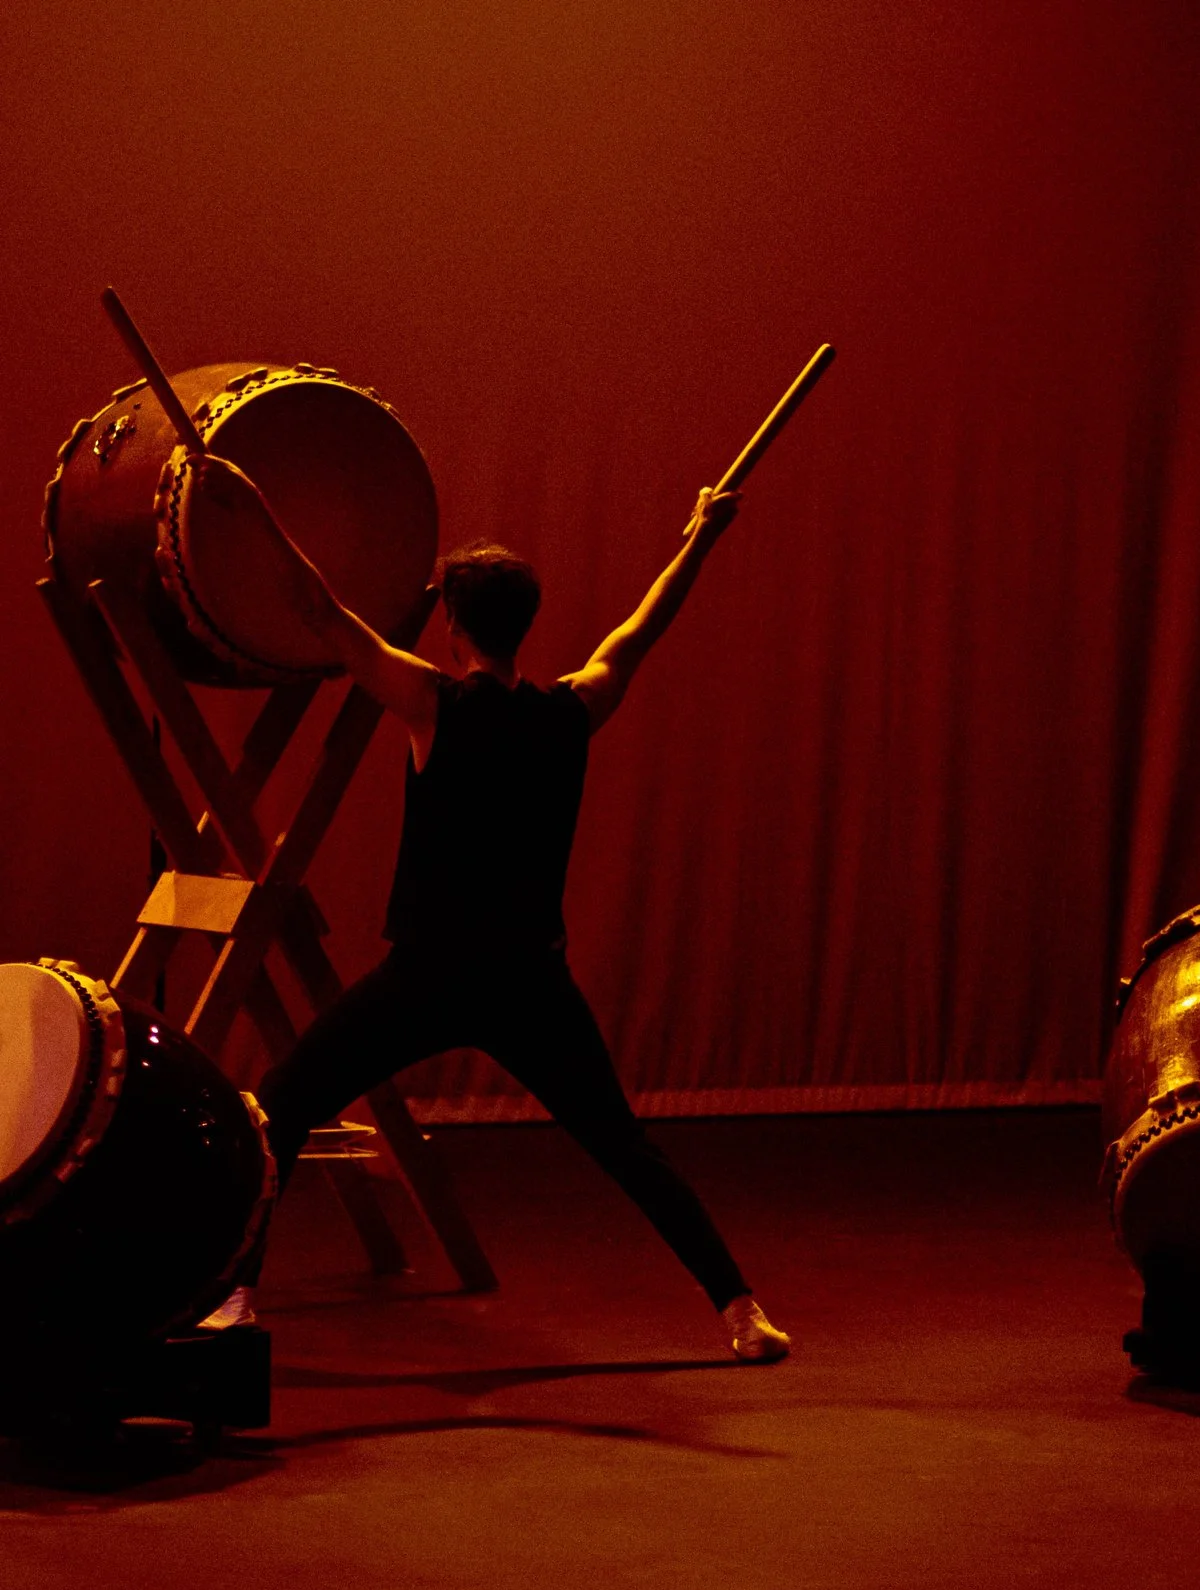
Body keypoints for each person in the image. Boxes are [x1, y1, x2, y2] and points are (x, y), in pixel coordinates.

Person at [191, 454, 791, 1362]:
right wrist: (701, 536)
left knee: (279, 1106)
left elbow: (320, 611)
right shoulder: (569, 712)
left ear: (452, 626)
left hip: (429, 977)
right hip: (527, 980)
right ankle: (741, 1310)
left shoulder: (433, 705)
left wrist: (248, 504)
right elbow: (643, 628)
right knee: (623, 1145)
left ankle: (235, 1298)